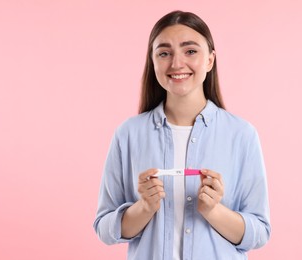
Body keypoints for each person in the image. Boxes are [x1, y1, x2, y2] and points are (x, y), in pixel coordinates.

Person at [93, 10, 271, 260]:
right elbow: (104, 228)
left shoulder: (242, 135)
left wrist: (213, 211)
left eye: (190, 51)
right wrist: (144, 208)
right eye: (164, 53)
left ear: (210, 60)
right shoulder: (128, 134)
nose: (176, 64)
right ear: (153, 61)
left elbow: (260, 232)